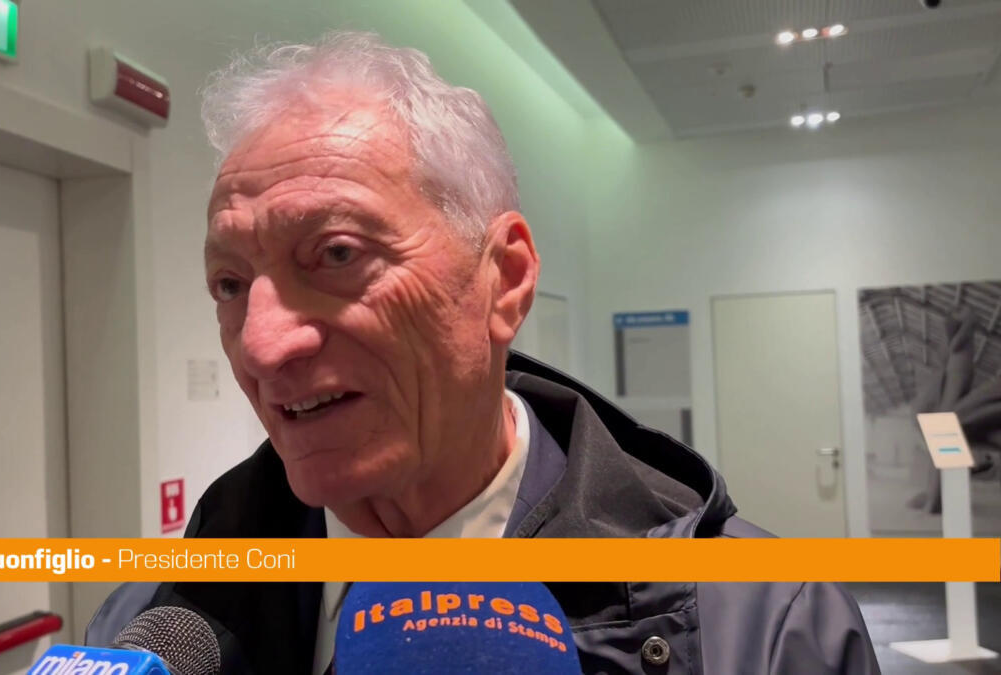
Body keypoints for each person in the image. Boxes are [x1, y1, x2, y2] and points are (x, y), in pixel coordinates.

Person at [100, 31, 880, 674]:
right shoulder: (152, 622)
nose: (263, 346)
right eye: (230, 283)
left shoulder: (768, 624)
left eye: (336, 254)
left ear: (504, 279)